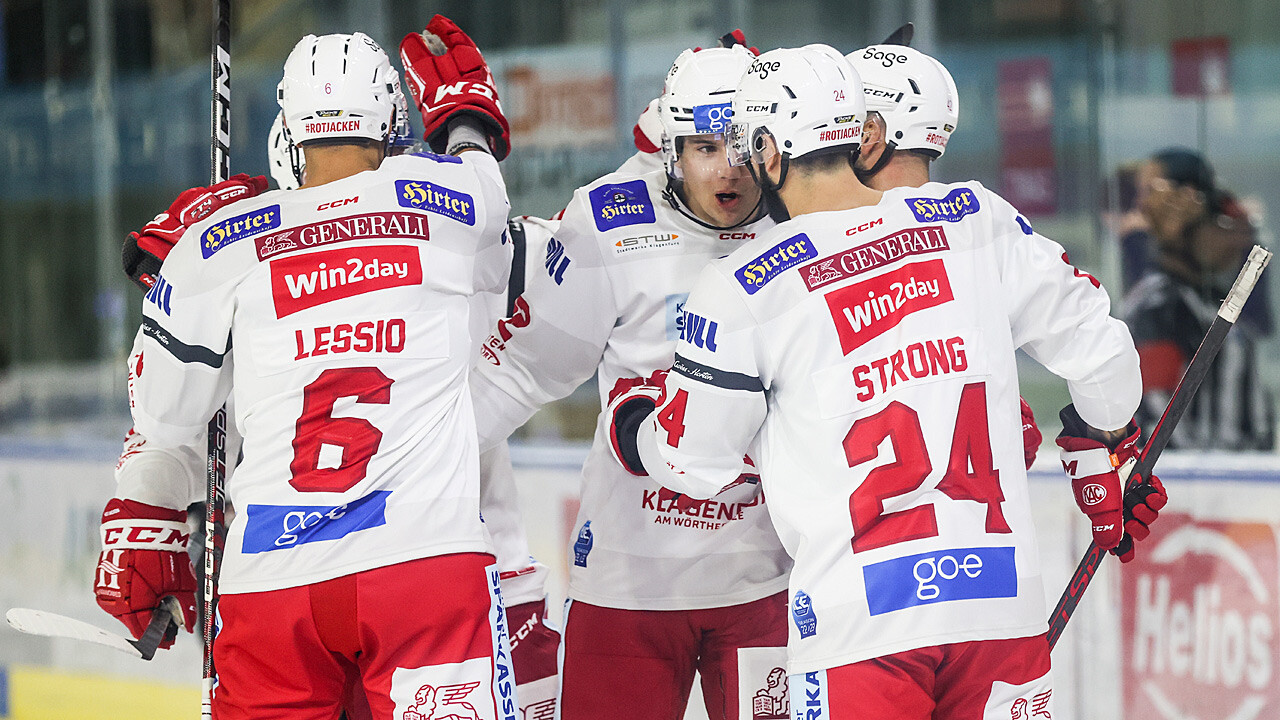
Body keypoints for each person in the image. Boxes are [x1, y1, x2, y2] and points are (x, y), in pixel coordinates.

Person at [610, 45, 1167, 718]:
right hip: (999, 612)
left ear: (770, 151)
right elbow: (1103, 353)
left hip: (859, 632)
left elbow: (695, 463)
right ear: (860, 135)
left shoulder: (745, 285)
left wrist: (634, 423)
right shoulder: (973, 219)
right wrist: (1101, 442)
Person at [96, 19, 521, 718]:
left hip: (273, 582)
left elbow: (162, 416)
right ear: (392, 119)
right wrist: (465, 121)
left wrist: (170, 286)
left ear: (288, 127)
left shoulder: (217, 244)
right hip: (421, 566)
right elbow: (496, 230)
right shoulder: (448, 198)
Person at [470, 45, 792, 720]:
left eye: (743, 146)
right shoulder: (607, 221)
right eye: (705, 147)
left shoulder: (805, 218)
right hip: (627, 581)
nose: (728, 169)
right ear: (669, 150)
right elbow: (522, 370)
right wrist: (407, 464)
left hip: (767, 578)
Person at [847, 42, 1042, 469]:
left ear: (870, 134)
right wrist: (1106, 435)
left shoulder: (814, 240)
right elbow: (1092, 340)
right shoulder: (982, 219)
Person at [1123, 148, 1274, 450]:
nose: (1143, 205)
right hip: (1193, 472)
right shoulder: (1156, 305)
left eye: (1151, 191)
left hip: (1239, 468)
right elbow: (1159, 421)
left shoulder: (1213, 301)